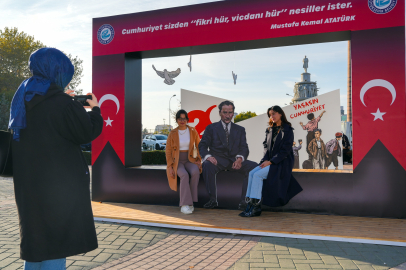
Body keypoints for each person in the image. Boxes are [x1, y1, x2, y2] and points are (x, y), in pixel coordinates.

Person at [9, 48, 103, 270]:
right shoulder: (61, 103)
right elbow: (86, 131)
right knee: (57, 243)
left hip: (29, 186)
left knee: (35, 240)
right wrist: (95, 109)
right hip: (57, 188)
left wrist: (63, 100)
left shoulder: (22, 97)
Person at [240, 106, 303, 217]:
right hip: (269, 160)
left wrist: (271, 162)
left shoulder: (287, 130)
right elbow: (266, 147)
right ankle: (250, 205)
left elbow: (285, 151)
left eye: (273, 114)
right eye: (270, 115)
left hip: (281, 162)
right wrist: (265, 160)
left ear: (280, 114)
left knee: (258, 175)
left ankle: (256, 208)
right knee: (251, 173)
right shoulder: (270, 129)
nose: (271, 116)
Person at [199, 101, 258, 210]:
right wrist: (208, 156)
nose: (227, 115)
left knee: (254, 167)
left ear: (233, 113)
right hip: (217, 161)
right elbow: (202, 145)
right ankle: (213, 200)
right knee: (207, 165)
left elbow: (244, 147)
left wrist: (240, 159)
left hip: (235, 161)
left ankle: (244, 201)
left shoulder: (240, 129)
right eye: (225, 112)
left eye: (230, 112)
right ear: (220, 113)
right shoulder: (211, 128)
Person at [166, 110, 202, 214]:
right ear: (177, 120)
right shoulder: (172, 133)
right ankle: (184, 204)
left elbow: (199, 146)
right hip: (177, 161)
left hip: (190, 159)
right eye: (180, 118)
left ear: (187, 120)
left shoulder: (192, 131)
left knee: (195, 172)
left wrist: (199, 160)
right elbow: (168, 151)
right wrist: (170, 167)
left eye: (184, 118)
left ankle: (191, 203)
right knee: (184, 175)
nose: (182, 121)